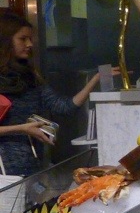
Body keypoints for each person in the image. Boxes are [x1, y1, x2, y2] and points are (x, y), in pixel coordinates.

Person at [0, 10, 115, 176]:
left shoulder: (30, 76)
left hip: (32, 164)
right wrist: (23, 128)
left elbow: (64, 107)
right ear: (5, 41)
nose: (30, 44)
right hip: (4, 168)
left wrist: (95, 79)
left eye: (30, 39)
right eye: (23, 39)